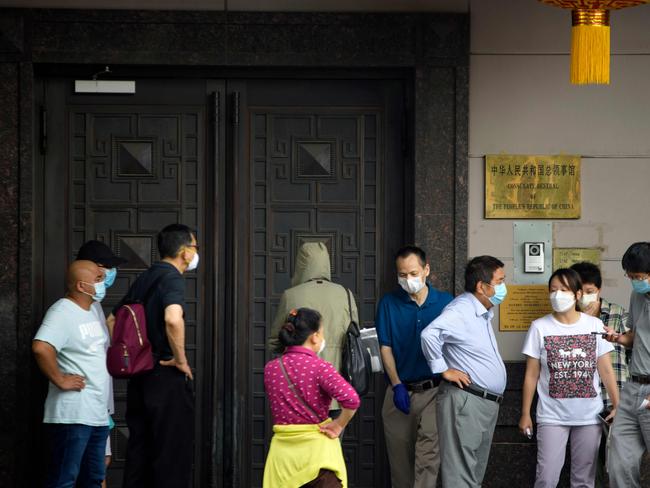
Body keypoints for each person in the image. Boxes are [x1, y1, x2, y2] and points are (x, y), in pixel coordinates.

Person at [111, 224, 197, 488]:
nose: (196, 253)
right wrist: (180, 360)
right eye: (195, 247)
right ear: (184, 252)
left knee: (140, 450)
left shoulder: (145, 277)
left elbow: (112, 320)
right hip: (164, 374)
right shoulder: (172, 278)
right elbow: (173, 318)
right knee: (170, 453)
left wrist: (134, 356)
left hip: (140, 376)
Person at [519, 268, 619, 488]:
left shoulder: (594, 326)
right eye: (553, 290)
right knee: (546, 478)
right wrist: (525, 413)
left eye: (563, 290)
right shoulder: (539, 327)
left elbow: (606, 371)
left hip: (588, 417)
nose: (557, 295)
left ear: (578, 294)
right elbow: (531, 374)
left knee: (583, 480)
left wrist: (617, 406)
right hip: (551, 416)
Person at [420, 255, 508, 488]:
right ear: (482, 286)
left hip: (481, 402)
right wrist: (443, 370)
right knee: (460, 478)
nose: (503, 287)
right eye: (499, 281)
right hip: (467, 400)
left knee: (471, 477)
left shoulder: (481, 311)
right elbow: (430, 335)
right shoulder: (463, 309)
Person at [375, 245, 453, 488]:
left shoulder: (446, 302)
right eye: (402, 275)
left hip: (434, 391)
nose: (408, 280)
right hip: (399, 392)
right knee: (401, 465)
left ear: (426, 270)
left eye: (412, 273)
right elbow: (384, 346)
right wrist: (396, 384)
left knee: (428, 460)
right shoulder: (389, 303)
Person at [32, 260, 111, 487]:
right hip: (72, 414)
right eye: (97, 279)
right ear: (81, 286)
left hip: (96, 414)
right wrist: (60, 379)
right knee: (63, 480)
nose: (103, 281)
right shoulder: (62, 311)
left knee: (94, 479)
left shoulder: (91, 311)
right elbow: (41, 346)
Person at [263, 308, 360, 488]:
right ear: (314, 336)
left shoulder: (271, 369)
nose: (323, 339)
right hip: (318, 457)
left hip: (282, 459)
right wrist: (339, 425)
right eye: (322, 333)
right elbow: (351, 399)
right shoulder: (320, 367)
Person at [270, 242, 359, 418]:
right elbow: (354, 336)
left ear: (300, 264)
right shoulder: (345, 294)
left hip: (297, 389)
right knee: (331, 442)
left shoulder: (291, 295)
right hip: (336, 385)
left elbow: (275, 340)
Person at [77, 240, 127, 488]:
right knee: (85, 468)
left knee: (100, 463)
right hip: (83, 407)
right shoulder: (70, 309)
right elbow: (43, 348)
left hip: (100, 405)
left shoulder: (94, 306)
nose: (108, 274)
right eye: (104, 267)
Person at [606, 242, 650, 488]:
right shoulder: (637, 295)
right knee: (619, 464)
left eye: (639, 276)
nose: (634, 281)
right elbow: (635, 336)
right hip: (633, 388)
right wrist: (618, 338)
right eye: (630, 276)